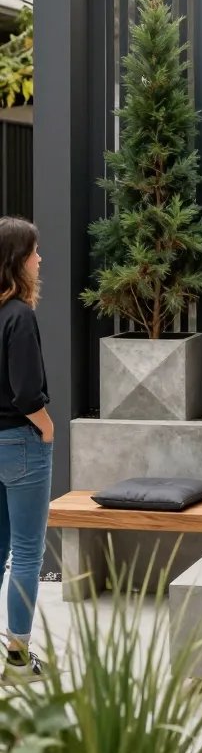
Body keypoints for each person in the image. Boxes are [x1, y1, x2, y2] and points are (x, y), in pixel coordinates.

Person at [0, 216, 53, 679]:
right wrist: (47, 426)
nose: (40, 259)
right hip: (20, 443)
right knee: (27, 551)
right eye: (34, 252)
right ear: (17, 261)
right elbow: (26, 393)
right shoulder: (19, 315)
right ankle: (17, 658)